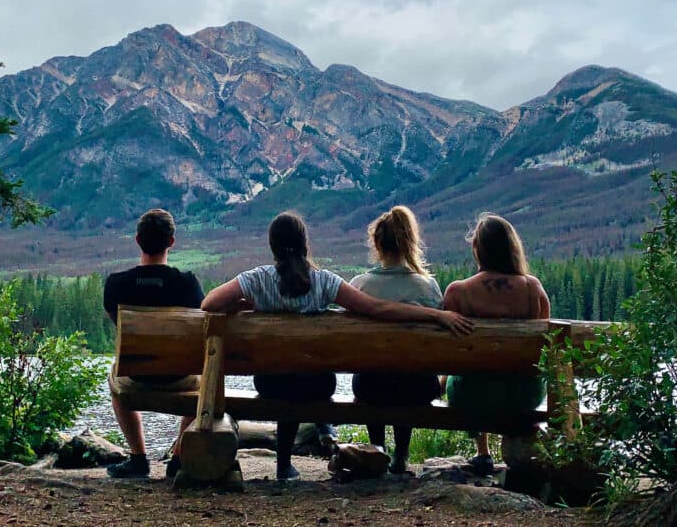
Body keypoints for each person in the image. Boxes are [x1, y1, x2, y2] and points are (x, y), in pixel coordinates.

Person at [201, 211, 473, 481]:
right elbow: (377, 308)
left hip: (269, 383)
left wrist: (246, 305)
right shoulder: (324, 281)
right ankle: (330, 433)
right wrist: (436, 314)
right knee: (302, 373)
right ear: (305, 244)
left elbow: (209, 304)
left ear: (272, 246)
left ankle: (284, 464)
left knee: (286, 375)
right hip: (317, 385)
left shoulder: (257, 279)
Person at [442, 213, 550, 476]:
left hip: (473, 395)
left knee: (465, 377)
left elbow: (448, 352)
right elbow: (544, 342)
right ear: (512, 248)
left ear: (477, 249)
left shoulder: (459, 292)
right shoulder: (532, 288)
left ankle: (483, 452)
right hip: (525, 395)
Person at [103, 209, 205, 479]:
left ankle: (138, 458)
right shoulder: (187, 284)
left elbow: (119, 325)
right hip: (180, 378)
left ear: (137, 240)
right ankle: (178, 458)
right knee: (206, 383)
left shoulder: (116, 284)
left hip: (136, 377)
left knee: (114, 379)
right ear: (171, 241)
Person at [349, 206, 443, 474]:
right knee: (408, 369)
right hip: (417, 389)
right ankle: (401, 453)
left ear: (377, 244)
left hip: (370, 387)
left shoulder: (359, 285)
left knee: (375, 370)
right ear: (409, 243)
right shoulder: (428, 287)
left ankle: (377, 448)